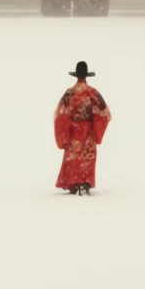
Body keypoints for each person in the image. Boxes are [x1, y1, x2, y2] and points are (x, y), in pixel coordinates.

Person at [53, 61, 111, 195]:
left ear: (76, 75)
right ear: (86, 75)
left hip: (73, 133)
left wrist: (65, 132)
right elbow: (105, 113)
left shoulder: (70, 93)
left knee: (73, 157)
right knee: (87, 157)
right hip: (88, 132)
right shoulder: (93, 93)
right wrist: (96, 129)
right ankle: (84, 183)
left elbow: (60, 114)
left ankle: (73, 183)